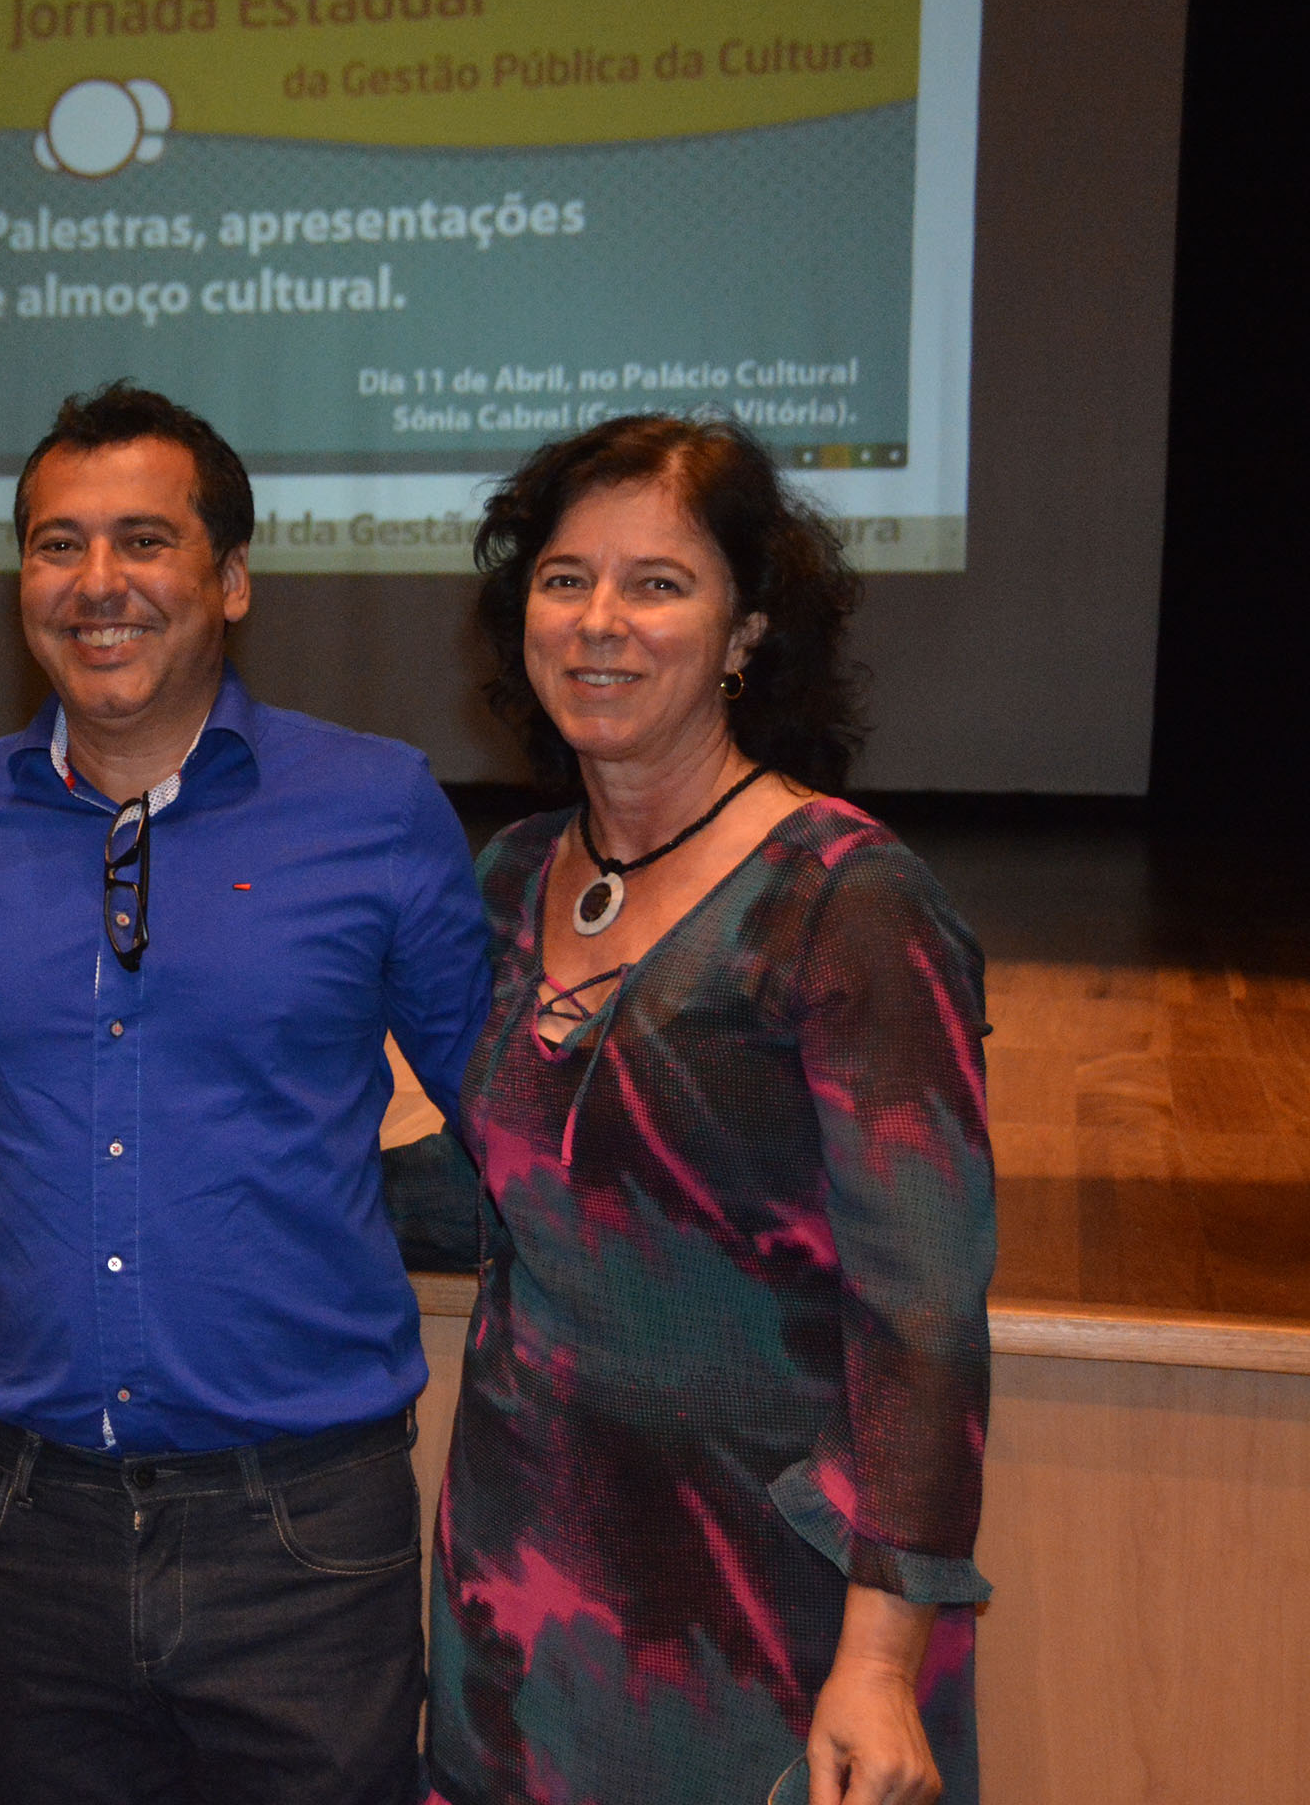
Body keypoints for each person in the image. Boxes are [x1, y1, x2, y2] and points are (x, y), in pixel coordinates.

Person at [0, 382, 494, 1802]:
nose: (99, 583)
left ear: (233, 578)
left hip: (304, 1531)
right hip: (21, 1529)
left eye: (144, 540)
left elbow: (507, 1129)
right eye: (57, 544)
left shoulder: (377, 807)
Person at [382, 415, 994, 1805]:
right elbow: (509, 1193)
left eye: (658, 583)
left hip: (768, 1617)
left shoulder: (844, 900)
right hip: (519, 1598)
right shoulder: (509, 876)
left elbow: (924, 1322)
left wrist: (880, 1658)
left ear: (745, 631)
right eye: (565, 578)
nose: (600, 620)